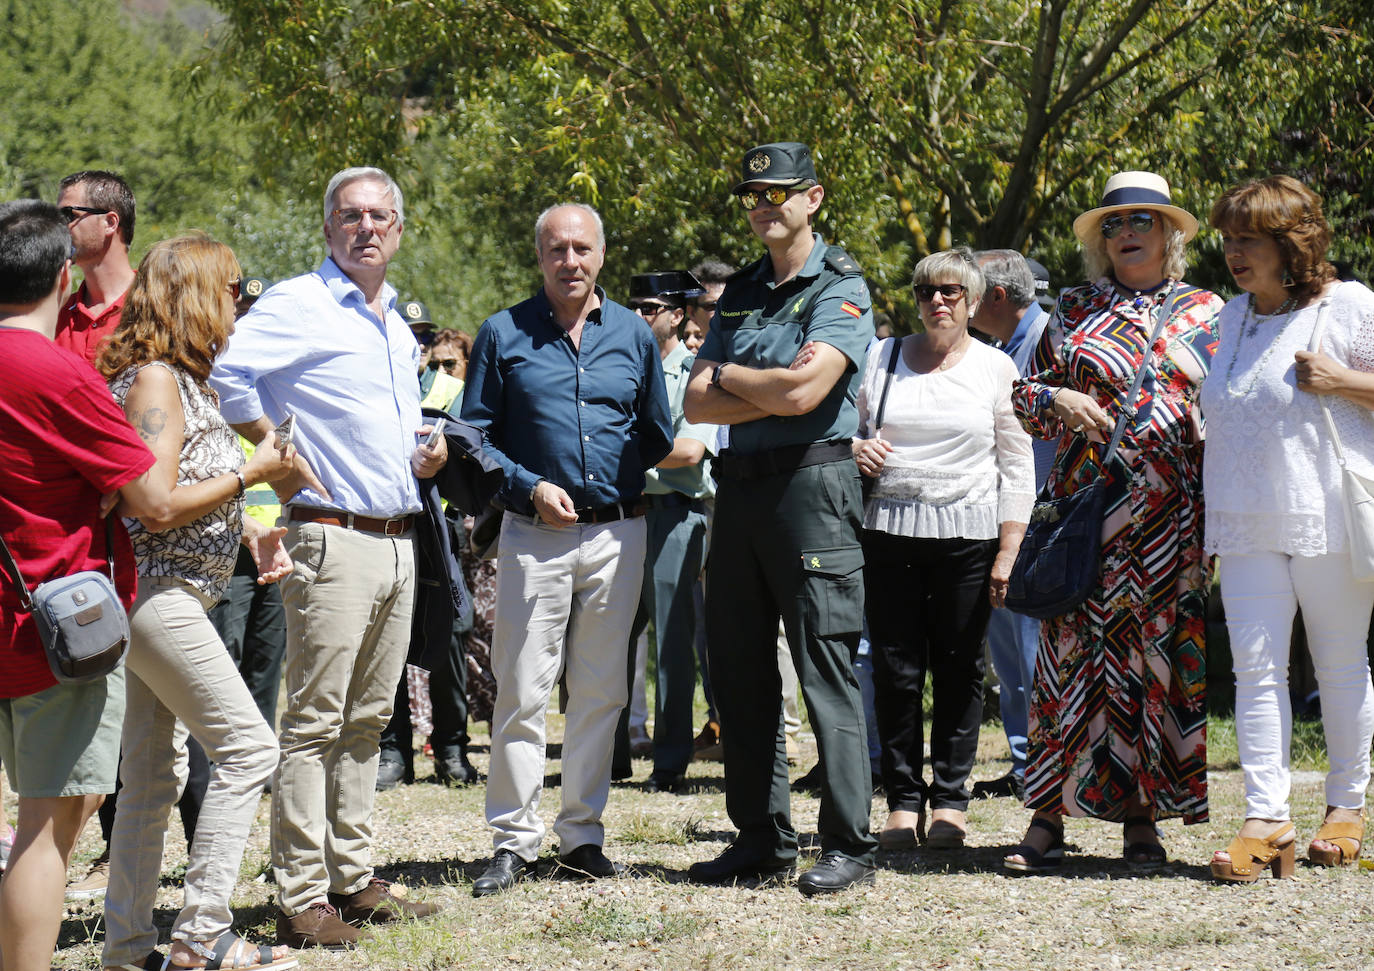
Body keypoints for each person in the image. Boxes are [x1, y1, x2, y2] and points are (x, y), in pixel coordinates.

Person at [210, 166, 448, 948]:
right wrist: (274, 455)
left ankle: (353, 875)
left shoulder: (394, 325)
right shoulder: (297, 302)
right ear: (328, 229)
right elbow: (225, 375)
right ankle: (302, 892)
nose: (367, 228)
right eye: (350, 216)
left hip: (396, 536)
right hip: (328, 533)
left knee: (370, 719)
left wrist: (428, 453)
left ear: (401, 230)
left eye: (381, 216)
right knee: (314, 721)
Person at [1004, 171, 1221, 873]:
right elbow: (1025, 395)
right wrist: (1063, 398)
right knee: (1070, 659)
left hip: (1171, 516)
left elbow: (1235, 406)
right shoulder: (1074, 307)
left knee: (1154, 661)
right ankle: (1046, 815)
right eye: (1115, 224)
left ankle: (1142, 817)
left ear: (1170, 233)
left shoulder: (1208, 311)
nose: (1127, 233)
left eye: (1142, 221)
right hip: (1089, 511)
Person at [97, 234, 299, 971]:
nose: (238, 304)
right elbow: (151, 503)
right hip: (157, 596)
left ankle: (128, 948)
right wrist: (253, 475)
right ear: (195, 296)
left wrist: (244, 527)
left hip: (169, 591)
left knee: (153, 776)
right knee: (250, 747)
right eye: (231, 289)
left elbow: (162, 496)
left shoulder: (178, 379)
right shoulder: (156, 381)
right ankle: (202, 930)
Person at [461, 203, 672, 896]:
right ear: (540, 255)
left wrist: (608, 488)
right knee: (520, 689)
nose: (570, 261)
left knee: (603, 688)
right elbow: (473, 437)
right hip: (534, 534)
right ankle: (513, 840)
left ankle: (581, 834)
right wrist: (529, 486)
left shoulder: (635, 337)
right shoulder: (503, 333)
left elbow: (656, 433)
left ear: (601, 255)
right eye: (557, 249)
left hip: (619, 532)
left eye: (581, 249)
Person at [683, 141, 877, 895]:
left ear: (814, 198)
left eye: (778, 193)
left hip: (810, 486)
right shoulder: (740, 292)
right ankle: (761, 836)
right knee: (738, 666)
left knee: (823, 662)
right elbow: (695, 402)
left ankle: (849, 843)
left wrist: (731, 375)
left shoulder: (840, 284)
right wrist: (758, 382)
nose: (763, 205)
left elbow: (804, 397)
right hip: (740, 490)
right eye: (753, 195)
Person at [0, 199, 168, 971]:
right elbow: (150, 497)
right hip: (50, 629)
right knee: (48, 827)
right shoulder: (59, 371)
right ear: (63, 277)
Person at [1201, 175, 1374, 881]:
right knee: (1255, 670)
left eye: (1250, 239)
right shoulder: (1229, 318)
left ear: (1290, 243)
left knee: (1337, 664)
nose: (1234, 252)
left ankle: (1347, 807)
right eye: (1229, 238)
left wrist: (1342, 381)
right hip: (1243, 518)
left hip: (1326, 509)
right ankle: (1266, 818)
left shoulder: (1348, 305)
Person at [853, 248, 1034, 850]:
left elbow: (1017, 465)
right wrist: (857, 451)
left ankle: (951, 802)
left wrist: (1009, 551)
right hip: (888, 533)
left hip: (970, 539)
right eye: (927, 290)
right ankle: (903, 801)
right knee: (896, 671)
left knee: (960, 670)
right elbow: (843, 435)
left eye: (952, 292)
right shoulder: (880, 358)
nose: (937, 301)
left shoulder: (995, 369)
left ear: (974, 302)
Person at [625, 270, 718, 793]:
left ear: (678, 315)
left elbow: (689, 451)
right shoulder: (617, 367)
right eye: (635, 305)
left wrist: (615, 454)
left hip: (676, 513)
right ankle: (608, 755)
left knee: (674, 643)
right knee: (605, 638)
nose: (640, 315)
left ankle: (670, 763)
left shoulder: (694, 372)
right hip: (621, 514)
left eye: (651, 307)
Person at [970, 251, 1057, 801]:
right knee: (1009, 656)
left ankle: (1043, 765)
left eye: (968, 295)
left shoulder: (1052, 340)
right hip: (1002, 517)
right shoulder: (996, 348)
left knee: (1033, 653)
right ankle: (1026, 761)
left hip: (1045, 522)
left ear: (996, 298)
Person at [54, 170, 137, 365]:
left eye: (68, 215)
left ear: (109, 223)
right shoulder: (57, 316)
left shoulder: (159, 308)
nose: (58, 227)